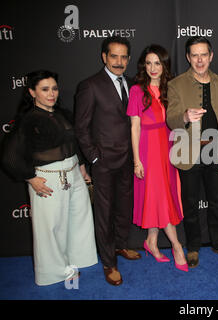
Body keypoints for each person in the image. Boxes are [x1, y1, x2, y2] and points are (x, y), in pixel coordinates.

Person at [1, 70, 97, 286]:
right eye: (45, 89)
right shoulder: (27, 120)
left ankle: (78, 259)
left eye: (54, 88)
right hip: (48, 177)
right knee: (50, 228)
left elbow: (74, 143)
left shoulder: (62, 112)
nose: (51, 93)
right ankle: (53, 273)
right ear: (32, 92)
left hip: (73, 172)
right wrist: (30, 178)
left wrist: (81, 166)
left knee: (79, 219)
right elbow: (9, 157)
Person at [75, 36, 141, 286]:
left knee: (124, 207)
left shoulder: (133, 84)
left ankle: (121, 246)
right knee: (104, 213)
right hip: (103, 161)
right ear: (104, 57)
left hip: (128, 160)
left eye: (124, 57)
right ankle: (108, 262)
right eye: (114, 56)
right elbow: (81, 128)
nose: (119, 62)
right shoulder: (90, 85)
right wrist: (93, 157)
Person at [166, 36, 218, 268]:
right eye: (194, 55)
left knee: (216, 202)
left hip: (215, 150)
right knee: (191, 203)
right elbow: (171, 119)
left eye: (203, 54)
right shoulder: (176, 84)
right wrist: (184, 117)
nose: (199, 59)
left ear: (211, 56)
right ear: (188, 57)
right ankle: (193, 247)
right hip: (188, 153)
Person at [127, 44, 187, 271]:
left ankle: (151, 241)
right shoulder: (136, 91)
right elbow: (134, 128)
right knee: (159, 197)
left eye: (158, 63)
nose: (153, 68)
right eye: (149, 63)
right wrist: (137, 160)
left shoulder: (170, 89)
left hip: (167, 147)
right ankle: (177, 245)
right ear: (144, 65)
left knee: (158, 198)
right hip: (147, 150)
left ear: (164, 65)